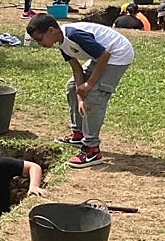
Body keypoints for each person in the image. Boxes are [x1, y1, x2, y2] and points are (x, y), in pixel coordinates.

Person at [26, 13, 135, 169]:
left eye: (39, 39)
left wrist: (89, 85)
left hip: (118, 54)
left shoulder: (73, 34)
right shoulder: (61, 43)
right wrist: (80, 96)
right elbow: (77, 69)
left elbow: (105, 55)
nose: (39, 44)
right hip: (101, 56)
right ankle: (79, 134)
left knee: (95, 97)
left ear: (51, 31)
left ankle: (92, 150)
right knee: (72, 86)